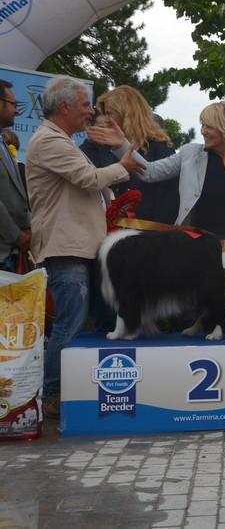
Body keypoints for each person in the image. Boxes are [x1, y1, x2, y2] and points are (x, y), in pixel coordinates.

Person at [89, 101, 225, 332]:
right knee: (208, 307)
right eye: (202, 125)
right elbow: (150, 172)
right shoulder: (189, 153)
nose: (203, 131)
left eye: (208, 126)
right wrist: (122, 145)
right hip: (203, 246)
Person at [27, 76, 143, 417]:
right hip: (66, 248)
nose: (90, 112)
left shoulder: (59, 140)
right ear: (64, 107)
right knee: (70, 322)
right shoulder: (50, 141)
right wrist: (123, 167)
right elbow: (89, 179)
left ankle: (66, 392)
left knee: (85, 320)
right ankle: (52, 394)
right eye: (85, 105)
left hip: (79, 245)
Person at [83, 85, 178, 224]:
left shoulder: (159, 147)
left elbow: (167, 200)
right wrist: (91, 143)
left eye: (109, 114)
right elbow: (87, 174)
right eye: (104, 114)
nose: (106, 119)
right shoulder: (106, 146)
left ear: (126, 114)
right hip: (109, 229)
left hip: (148, 230)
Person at [0, 79, 31, 273]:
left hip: (11, 252)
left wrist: (27, 227)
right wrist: (17, 236)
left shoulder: (3, 142)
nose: (17, 110)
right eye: (13, 104)